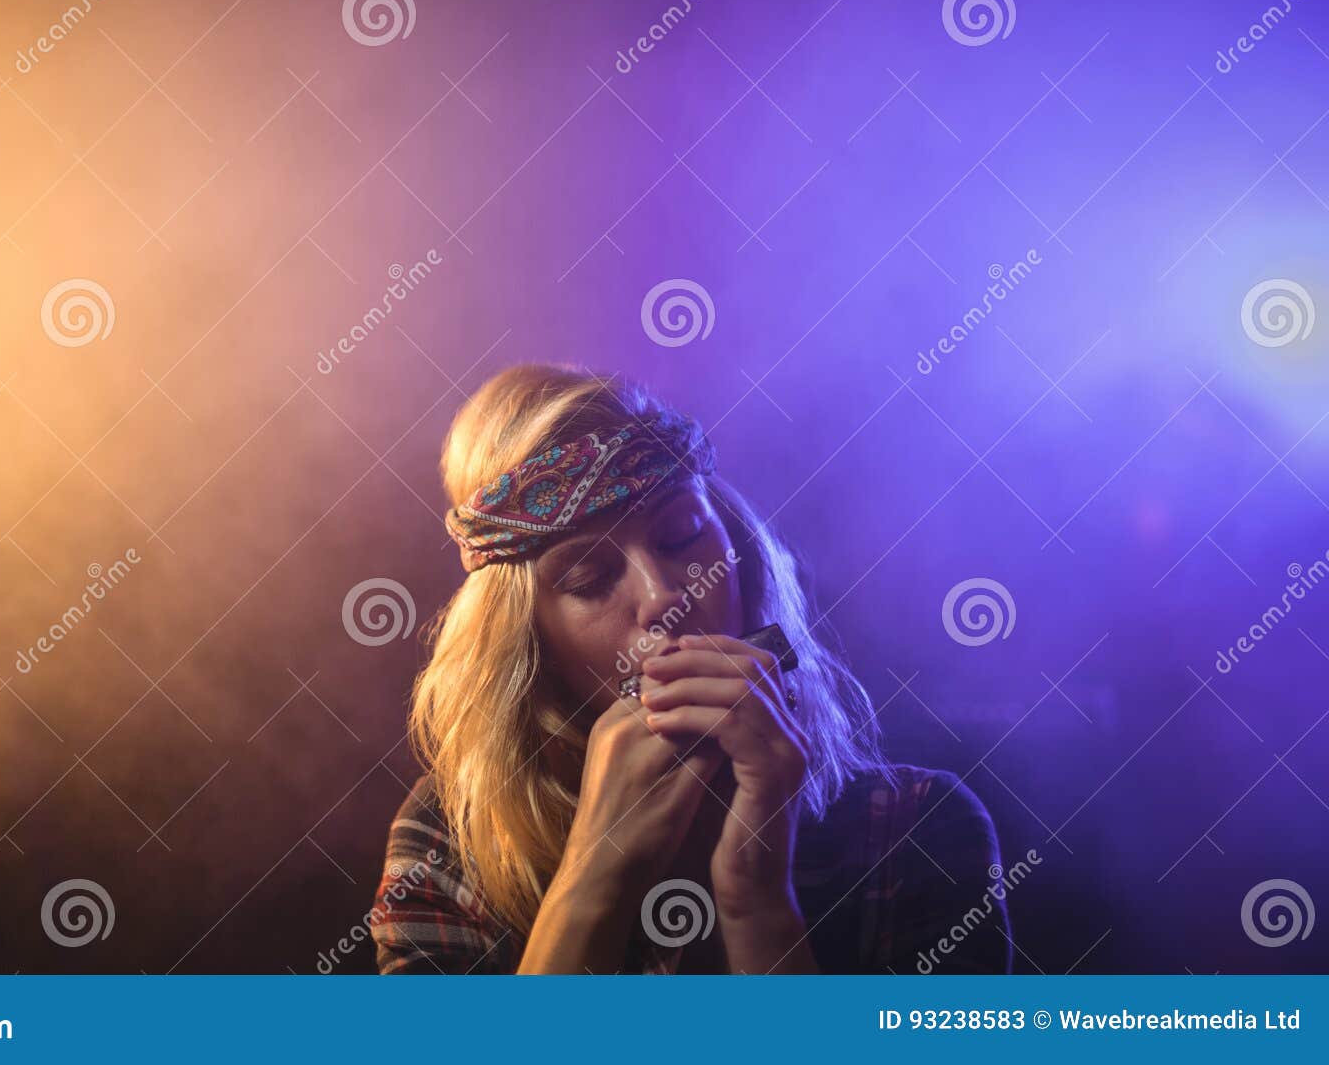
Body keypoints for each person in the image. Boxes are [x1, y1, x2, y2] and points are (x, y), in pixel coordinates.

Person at [370, 363, 1011, 974]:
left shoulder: (917, 827)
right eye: (590, 578)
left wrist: (756, 901)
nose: (662, 596)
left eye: (681, 538)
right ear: (528, 640)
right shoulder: (448, 845)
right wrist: (596, 876)